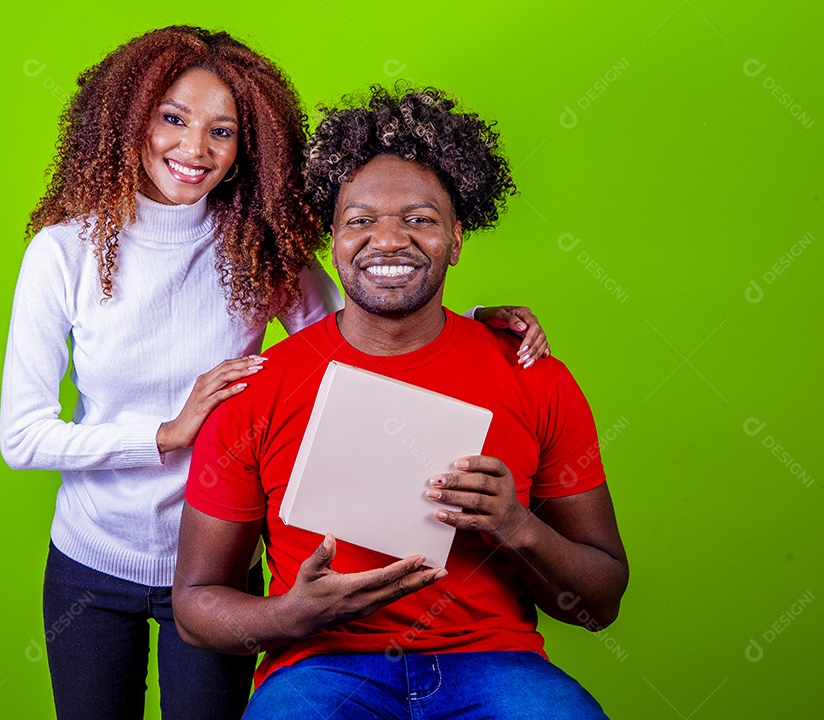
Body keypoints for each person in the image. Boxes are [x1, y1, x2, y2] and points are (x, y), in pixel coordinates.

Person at [0, 28, 551, 720]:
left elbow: (357, 332)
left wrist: (472, 321)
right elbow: (22, 437)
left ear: (248, 145)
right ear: (130, 117)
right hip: (90, 562)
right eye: (173, 118)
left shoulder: (256, 249)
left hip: (218, 572)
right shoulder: (63, 254)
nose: (195, 149)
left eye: (222, 131)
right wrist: (168, 433)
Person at [173, 85, 629, 720]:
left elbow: (600, 602)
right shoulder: (259, 390)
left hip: (494, 663)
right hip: (322, 667)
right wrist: (293, 614)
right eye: (360, 221)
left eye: (419, 219)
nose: (388, 240)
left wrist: (516, 526)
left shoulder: (534, 377)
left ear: (457, 239)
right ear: (333, 239)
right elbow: (195, 605)